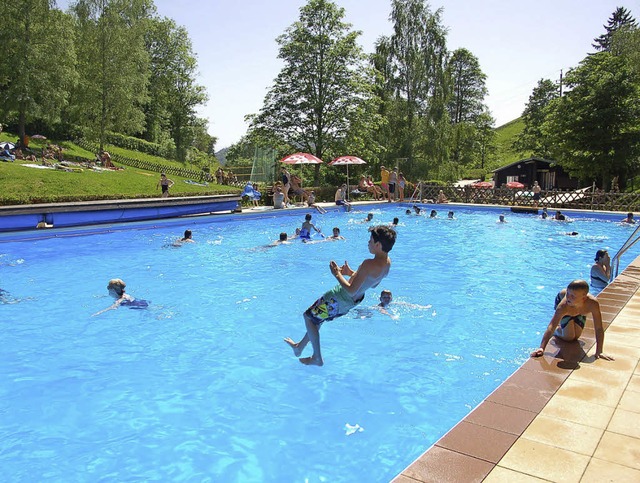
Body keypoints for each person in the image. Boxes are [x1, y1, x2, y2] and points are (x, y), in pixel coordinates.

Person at [284, 225, 397, 366]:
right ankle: (299, 347)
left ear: (378, 244)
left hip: (340, 297)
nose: (368, 242)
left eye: (370, 240)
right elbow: (372, 284)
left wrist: (336, 274)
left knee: (308, 317)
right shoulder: (386, 263)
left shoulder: (369, 263)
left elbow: (350, 290)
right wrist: (351, 274)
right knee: (317, 319)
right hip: (351, 302)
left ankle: (317, 357)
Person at [530, 280, 614, 361]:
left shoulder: (592, 304)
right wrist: (542, 347)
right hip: (566, 307)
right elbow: (551, 326)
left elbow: (599, 327)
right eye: (567, 293)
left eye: (572, 296)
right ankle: (558, 331)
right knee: (569, 337)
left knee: (575, 337)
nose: (568, 297)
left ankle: (567, 324)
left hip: (580, 310)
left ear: (584, 298)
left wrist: (599, 351)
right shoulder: (563, 306)